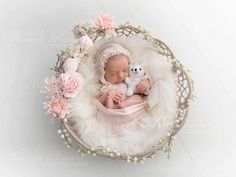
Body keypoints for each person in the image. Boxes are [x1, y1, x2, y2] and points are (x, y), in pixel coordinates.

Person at [96, 43, 151, 109]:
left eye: (125, 70)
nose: (121, 76)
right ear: (103, 73)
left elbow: (147, 86)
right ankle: (115, 107)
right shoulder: (104, 87)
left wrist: (146, 84)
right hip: (114, 114)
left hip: (133, 109)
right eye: (113, 73)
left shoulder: (132, 78)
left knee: (138, 98)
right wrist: (107, 95)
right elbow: (95, 103)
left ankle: (124, 104)